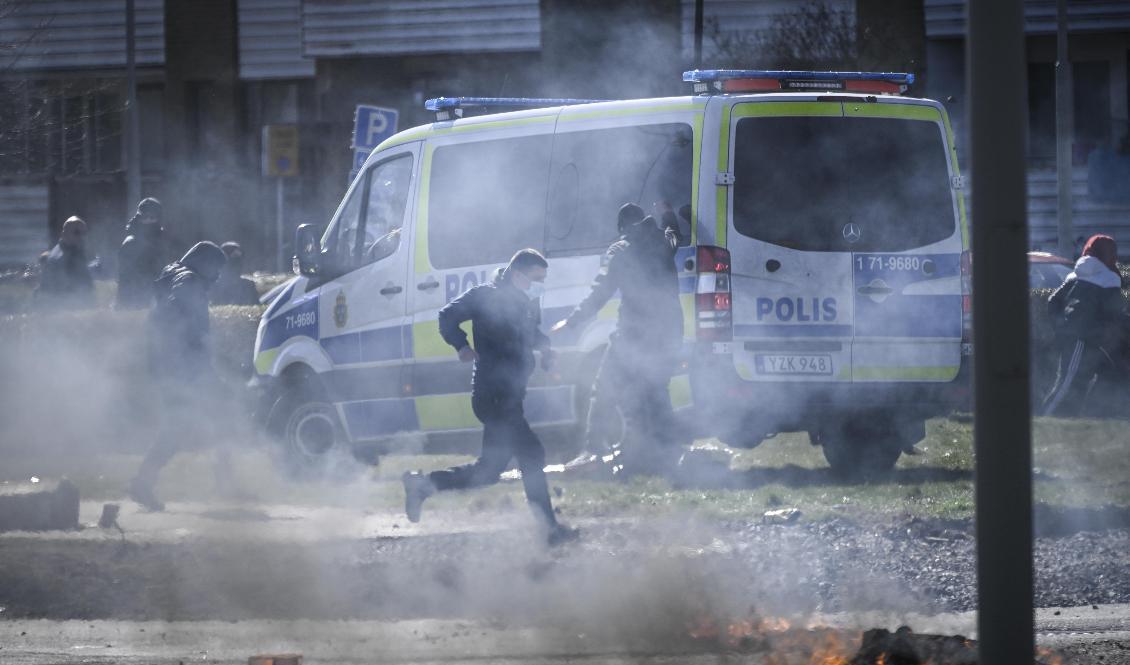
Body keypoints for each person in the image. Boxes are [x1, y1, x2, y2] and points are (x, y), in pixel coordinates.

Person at [401, 249, 579, 546]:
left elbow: (529, 335)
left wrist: (546, 350)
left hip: (511, 394)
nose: (540, 285)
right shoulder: (486, 295)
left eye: (543, 280)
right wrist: (461, 345)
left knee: (488, 472)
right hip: (493, 395)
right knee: (531, 453)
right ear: (517, 274)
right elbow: (447, 317)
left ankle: (422, 485)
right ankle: (549, 532)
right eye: (536, 278)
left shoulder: (527, 302)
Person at [551, 202, 686, 477]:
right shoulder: (662, 241)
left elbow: (601, 292)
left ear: (622, 227)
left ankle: (593, 452)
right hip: (669, 330)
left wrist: (573, 320)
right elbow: (675, 235)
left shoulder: (620, 250)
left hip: (635, 332)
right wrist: (668, 214)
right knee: (657, 390)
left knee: (605, 388)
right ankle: (667, 452)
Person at [128, 241, 232, 511]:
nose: (218, 275)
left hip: (169, 366)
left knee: (186, 425)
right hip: (183, 369)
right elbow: (185, 325)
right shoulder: (189, 281)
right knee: (205, 419)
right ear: (205, 263)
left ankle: (144, 482)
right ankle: (225, 484)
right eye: (216, 268)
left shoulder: (174, 274)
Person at [1042, 234, 1128, 417]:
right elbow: (1114, 313)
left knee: (1083, 380)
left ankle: (1078, 419)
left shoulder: (1076, 273)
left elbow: (1053, 301)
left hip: (1081, 339)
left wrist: (1061, 327)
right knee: (1068, 383)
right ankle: (1043, 420)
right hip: (1086, 339)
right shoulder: (1109, 278)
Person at [116, 197, 167, 309]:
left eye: (152, 217)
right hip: (136, 299)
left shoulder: (162, 239)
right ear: (139, 218)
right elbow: (125, 278)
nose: (148, 220)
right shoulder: (131, 241)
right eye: (145, 217)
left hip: (157, 295)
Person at [35, 216, 94, 309]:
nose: (82, 237)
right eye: (77, 233)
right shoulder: (62, 256)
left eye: (84, 233)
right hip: (66, 310)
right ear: (64, 234)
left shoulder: (73, 252)